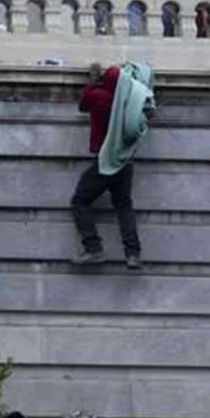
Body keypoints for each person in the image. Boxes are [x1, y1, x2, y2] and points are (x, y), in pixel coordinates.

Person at [70, 63, 143, 270]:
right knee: (123, 206)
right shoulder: (129, 103)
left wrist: (92, 81)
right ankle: (133, 253)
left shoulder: (99, 97)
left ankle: (94, 248)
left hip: (105, 161)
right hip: (125, 161)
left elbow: (83, 104)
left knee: (80, 201)